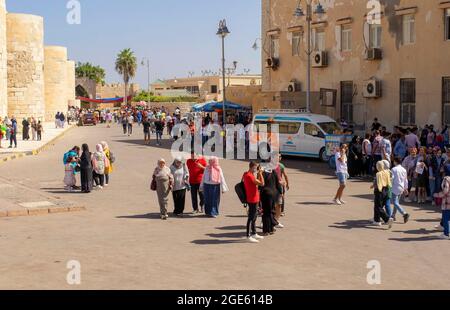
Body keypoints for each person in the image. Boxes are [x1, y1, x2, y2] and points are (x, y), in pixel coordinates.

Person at [243, 161, 265, 243]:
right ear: (252, 167)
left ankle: (254, 232)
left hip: (254, 198)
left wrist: (258, 174)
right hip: (252, 199)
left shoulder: (247, 174)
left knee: (254, 216)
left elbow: (257, 183)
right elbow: (262, 183)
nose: (256, 169)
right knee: (251, 217)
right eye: (256, 167)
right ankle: (248, 235)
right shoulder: (249, 176)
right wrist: (261, 173)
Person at [371, 161, 394, 228]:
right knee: (377, 206)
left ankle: (387, 219)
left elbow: (377, 183)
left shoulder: (378, 174)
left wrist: (373, 186)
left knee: (378, 207)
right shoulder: (387, 172)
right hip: (386, 190)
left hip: (379, 191)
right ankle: (376, 220)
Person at [260, 166, 283, 236]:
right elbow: (278, 184)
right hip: (273, 194)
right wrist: (281, 192)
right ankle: (271, 229)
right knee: (271, 211)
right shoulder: (274, 172)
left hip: (265, 194)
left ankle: (266, 230)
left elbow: (260, 185)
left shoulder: (263, 173)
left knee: (266, 212)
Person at [391, 157, 411, 223]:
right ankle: (393, 215)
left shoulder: (393, 169)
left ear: (395, 161)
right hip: (401, 187)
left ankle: (404, 213)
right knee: (396, 203)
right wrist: (406, 188)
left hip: (394, 187)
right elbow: (405, 180)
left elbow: (392, 179)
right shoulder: (403, 169)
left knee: (395, 202)